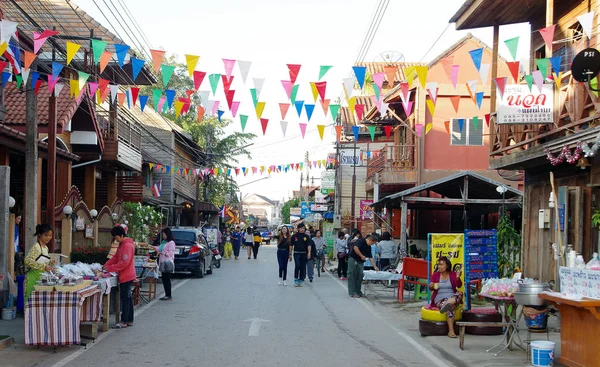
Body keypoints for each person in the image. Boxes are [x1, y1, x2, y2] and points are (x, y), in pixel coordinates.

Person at [104, 226, 136, 329]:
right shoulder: (122, 244)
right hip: (125, 275)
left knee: (125, 298)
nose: (116, 239)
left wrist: (110, 268)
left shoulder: (127, 245)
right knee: (128, 297)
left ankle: (124, 321)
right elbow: (115, 257)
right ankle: (129, 319)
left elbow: (124, 263)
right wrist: (105, 265)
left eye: (116, 237)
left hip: (127, 275)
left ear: (122, 235)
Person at [429, 256, 463, 338]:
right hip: (439, 298)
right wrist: (431, 285)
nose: (439, 266)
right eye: (438, 265)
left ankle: (447, 304)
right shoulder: (435, 275)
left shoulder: (453, 274)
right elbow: (431, 288)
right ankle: (451, 331)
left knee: (459, 294)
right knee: (451, 308)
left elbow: (459, 285)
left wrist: (458, 278)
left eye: (441, 265)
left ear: (447, 266)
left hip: (452, 297)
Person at [24, 224, 54, 305]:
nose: (48, 237)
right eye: (46, 235)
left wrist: (51, 263)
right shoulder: (36, 247)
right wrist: (43, 266)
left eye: (50, 235)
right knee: (30, 302)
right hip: (32, 278)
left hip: (40, 278)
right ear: (40, 234)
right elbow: (27, 260)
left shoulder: (46, 248)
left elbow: (43, 261)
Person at [348, 234, 379, 298]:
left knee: (360, 276)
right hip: (353, 259)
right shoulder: (360, 241)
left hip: (361, 262)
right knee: (352, 275)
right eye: (372, 243)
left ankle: (358, 291)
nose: (372, 244)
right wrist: (361, 256)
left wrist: (375, 266)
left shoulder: (368, 247)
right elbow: (355, 248)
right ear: (370, 240)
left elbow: (370, 257)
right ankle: (352, 292)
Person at [155, 228, 176, 301]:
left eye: (164, 234)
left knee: (167, 279)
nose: (163, 236)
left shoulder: (171, 243)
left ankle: (168, 294)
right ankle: (166, 294)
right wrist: (152, 247)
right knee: (164, 278)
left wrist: (162, 253)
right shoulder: (164, 242)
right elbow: (159, 248)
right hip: (162, 262)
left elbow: (170, 253)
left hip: (167, 263)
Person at [290, 223, 312, 287]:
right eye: (301, 228)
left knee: (302, 267)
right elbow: (291, 245)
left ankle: (300, 280)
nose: (302, 229)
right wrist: (290, 254)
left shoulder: (306, 237)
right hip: (296, 253)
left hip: (304, 254)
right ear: (298, 229)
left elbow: (309, 245)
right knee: (297, 265)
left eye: (303, 228)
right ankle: (296, 279)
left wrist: (309, 253)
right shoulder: (294, 236)